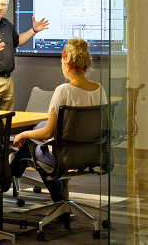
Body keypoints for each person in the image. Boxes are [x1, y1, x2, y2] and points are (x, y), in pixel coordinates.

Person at [11, 38, 107, 202]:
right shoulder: (100, 89)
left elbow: (48, 132)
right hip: (93, 154)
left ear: (67, 63)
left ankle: (8, 179)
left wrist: (22, 135)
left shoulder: (64, 91)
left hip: (66, 156)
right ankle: (57, 198)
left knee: (31, 142)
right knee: (37, 130)